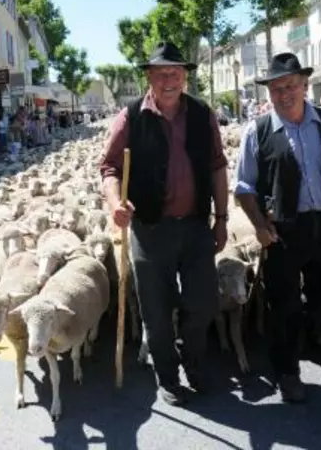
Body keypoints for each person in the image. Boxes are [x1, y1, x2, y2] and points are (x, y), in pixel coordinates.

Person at [99, 41, 228, 406]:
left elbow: (217, 165)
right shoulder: (131, 117)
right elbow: (109, 167)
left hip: (195, 226)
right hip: (151, 228)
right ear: (150, 77)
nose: (169, 79)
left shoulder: (203, 114)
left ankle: (194, 362)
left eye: (176, 72)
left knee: (202, 303)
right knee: (156, 309)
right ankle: (168, 376)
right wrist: (116, 203)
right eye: (161, 73)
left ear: (185, 75)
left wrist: (221, 218)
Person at [234, 52, 321, 403]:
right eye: (275, 88)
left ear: (304, 85)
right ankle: (288, 371)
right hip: (283, 230)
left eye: (289, 85)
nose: (283, 93)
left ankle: (298, 327)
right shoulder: (258, 131)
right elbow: (243, 187)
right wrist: (259, 226)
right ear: (268, 93)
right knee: (282, 303)